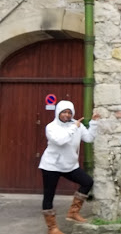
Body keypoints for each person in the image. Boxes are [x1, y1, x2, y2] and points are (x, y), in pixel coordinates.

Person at [38, 100, 100, 234]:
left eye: (69, 112)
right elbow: (60, 141)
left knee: (87, 182)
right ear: (58, 113)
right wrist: (74, 127)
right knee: (49, 195)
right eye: (64, 112)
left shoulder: (76, 124)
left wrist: (93, 123)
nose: (66, 115)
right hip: (51, 166)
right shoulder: (51, 127)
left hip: (70, 165)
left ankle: (73, 212)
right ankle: (52, 228)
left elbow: (89, 138)